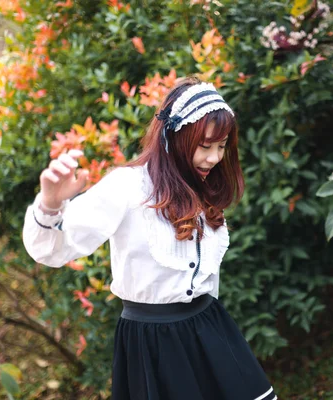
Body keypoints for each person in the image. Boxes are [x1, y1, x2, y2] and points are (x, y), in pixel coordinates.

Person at [22, 77, 276, 400]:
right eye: (205, 145)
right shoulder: (128, 188)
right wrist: (50, 205)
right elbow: (51, 250)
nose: (214, 158)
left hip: (210, 330)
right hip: (152, 345)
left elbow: (208, 281)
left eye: (221, 146)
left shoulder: (203, 190)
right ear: (176, 137)